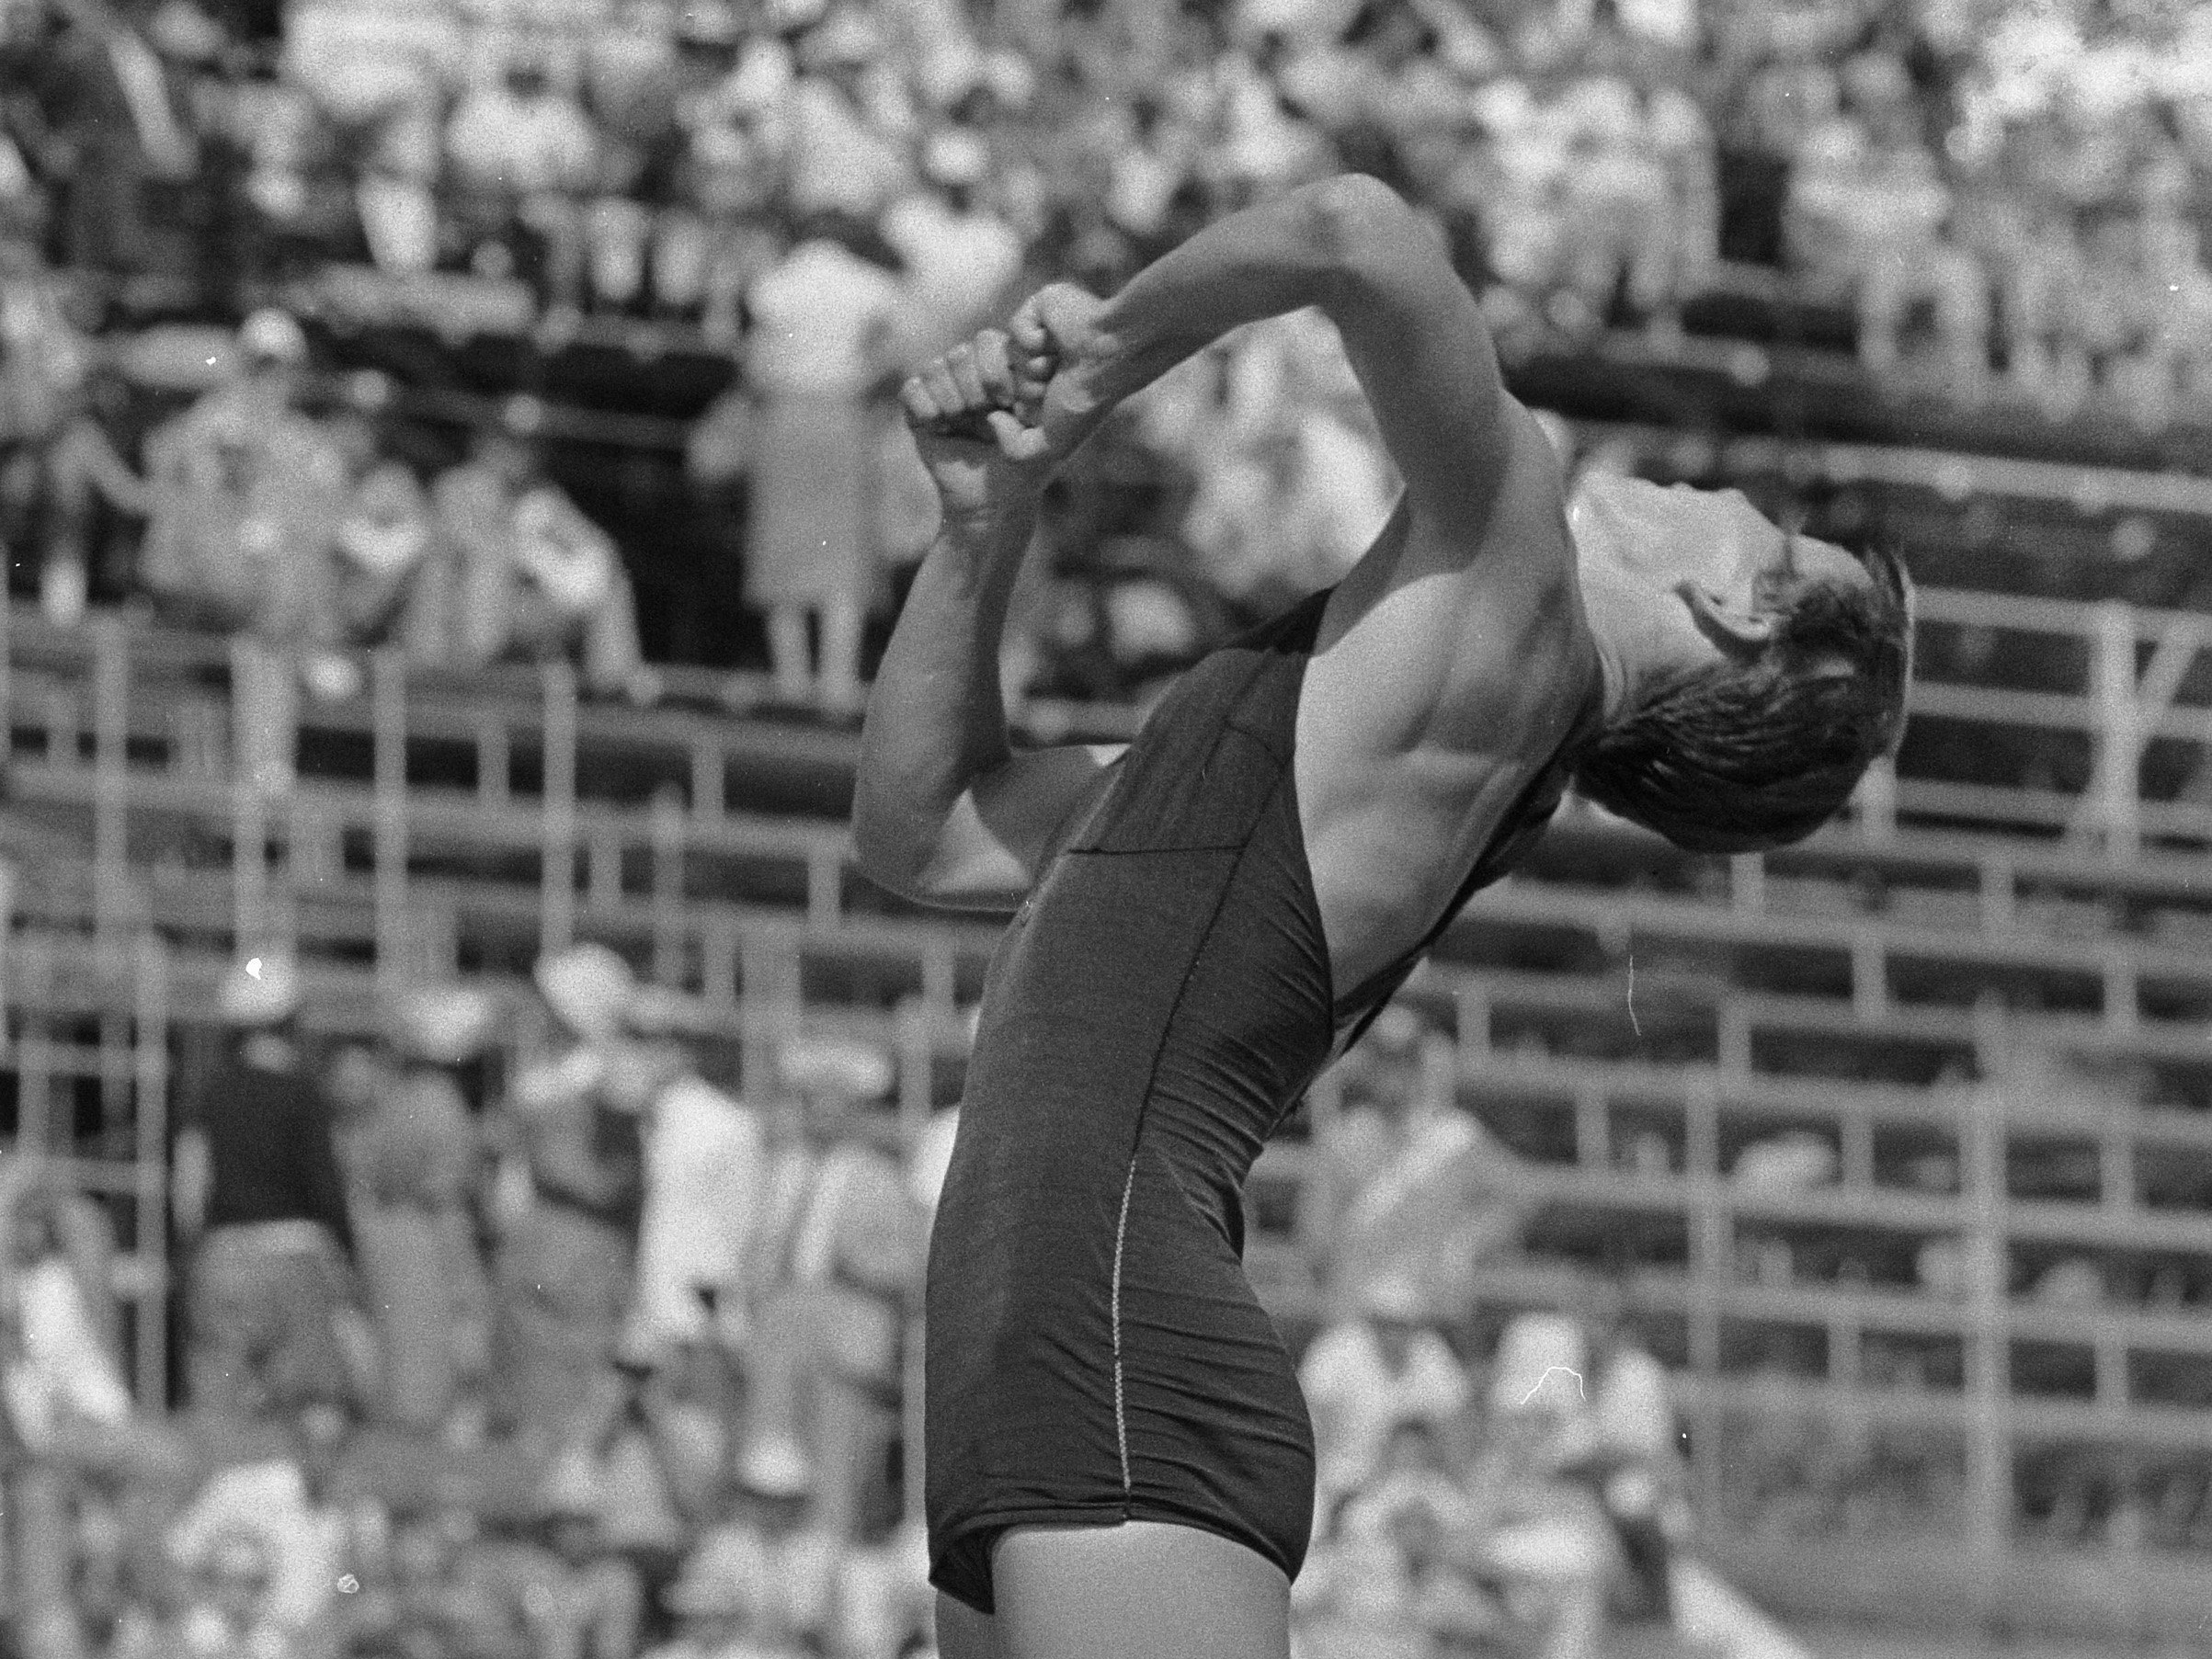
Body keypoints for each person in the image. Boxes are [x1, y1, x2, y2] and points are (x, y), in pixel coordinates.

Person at [852, 173, 1914, 1659]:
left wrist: (1100, 356)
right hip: (1033, 1350)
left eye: (1774, 534)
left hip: (1111, 1338)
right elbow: (926, 829)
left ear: (1739, 606)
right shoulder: (1373, 713)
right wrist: (985, 522)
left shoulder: (1516, 585)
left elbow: (1355, 231)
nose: (1726, 499)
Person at [174, 956, 362, 1426]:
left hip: (225, 1259)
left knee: (223, 1409)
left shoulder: (210, 1093)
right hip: (297, 1260)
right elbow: (327, 1188)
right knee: (305, 1409)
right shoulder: (305, 1095)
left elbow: (189, 1193)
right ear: (292, 1021)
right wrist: (349, 1256)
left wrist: (196, 1255)